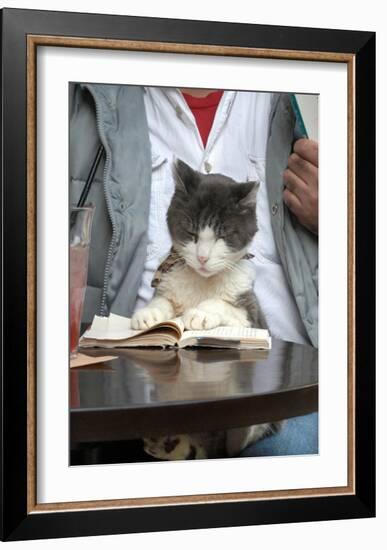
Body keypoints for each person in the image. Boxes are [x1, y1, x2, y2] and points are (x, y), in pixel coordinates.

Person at [69, 82, 319, 457]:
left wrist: (351, 213)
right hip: (137, 392)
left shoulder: (295, 91)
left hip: (284, 394)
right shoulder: (88, 92)